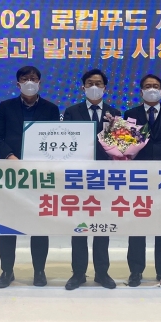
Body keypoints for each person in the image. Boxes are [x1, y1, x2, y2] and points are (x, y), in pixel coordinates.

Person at [0, 66, 60, 288]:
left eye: (33, 78)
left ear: (39, 82)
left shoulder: (51, 109)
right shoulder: (5, 106)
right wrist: (9, 155)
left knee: (39, 225)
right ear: (18, 83)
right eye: (25, 78)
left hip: (39, 175)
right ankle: (6, 271)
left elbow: (56, 139)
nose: (30, 82)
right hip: (11, 173)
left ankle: (39, 270)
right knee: (7, 224)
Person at [63, 69, 120, 290]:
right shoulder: (71, 111)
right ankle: (78, 273)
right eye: (90, 83)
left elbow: (120, 145)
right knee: (79, 226)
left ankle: (102, 273)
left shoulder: (115, 113)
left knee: (102, 226)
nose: (94, 86)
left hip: (104, 177)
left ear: (105, 87)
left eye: (98, 83)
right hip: (78, 177)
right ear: (83, 87)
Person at [124, 74, 161, 288]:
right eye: (148, 86)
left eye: (156, 86)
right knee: (137, 225)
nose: (152, 89)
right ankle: (135, 271)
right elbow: (125, 146)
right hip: (138, 177)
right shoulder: (130, 114)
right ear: (141, 91)